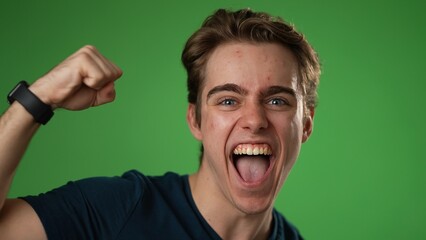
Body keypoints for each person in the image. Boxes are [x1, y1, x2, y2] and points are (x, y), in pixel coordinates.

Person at [0, 8, 320, 240]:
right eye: (228, 100)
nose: (254, 120)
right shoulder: (117, 210)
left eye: (277, 101)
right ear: (195, 119)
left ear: (305, 125)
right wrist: (37, 99)